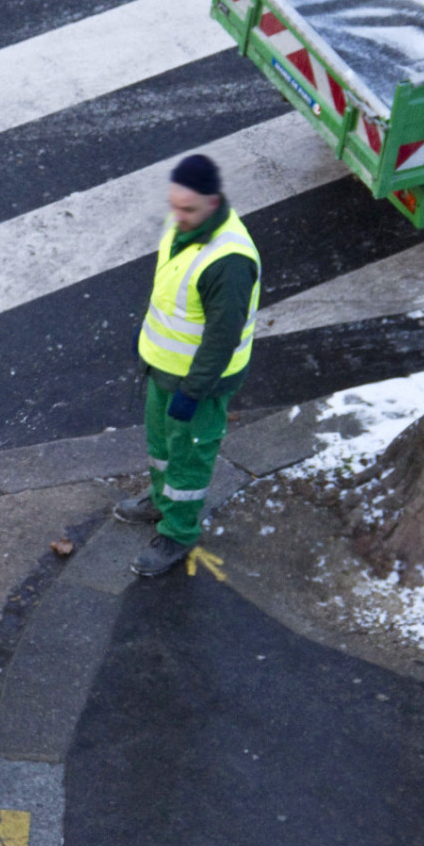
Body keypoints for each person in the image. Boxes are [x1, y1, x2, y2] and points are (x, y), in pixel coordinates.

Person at [113, 154, 260, 577]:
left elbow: (221, 338)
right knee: (162, 447)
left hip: (199, 383)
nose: (177, 216)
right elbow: (174, 293)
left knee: (189, 459)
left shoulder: (229, 262)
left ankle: (178, 533)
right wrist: (149, 344)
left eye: (188, 209)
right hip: (164, 368)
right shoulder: (184, 224)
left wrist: (193, 392)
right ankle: (161, 501)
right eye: (174, 206)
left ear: (212, 203)